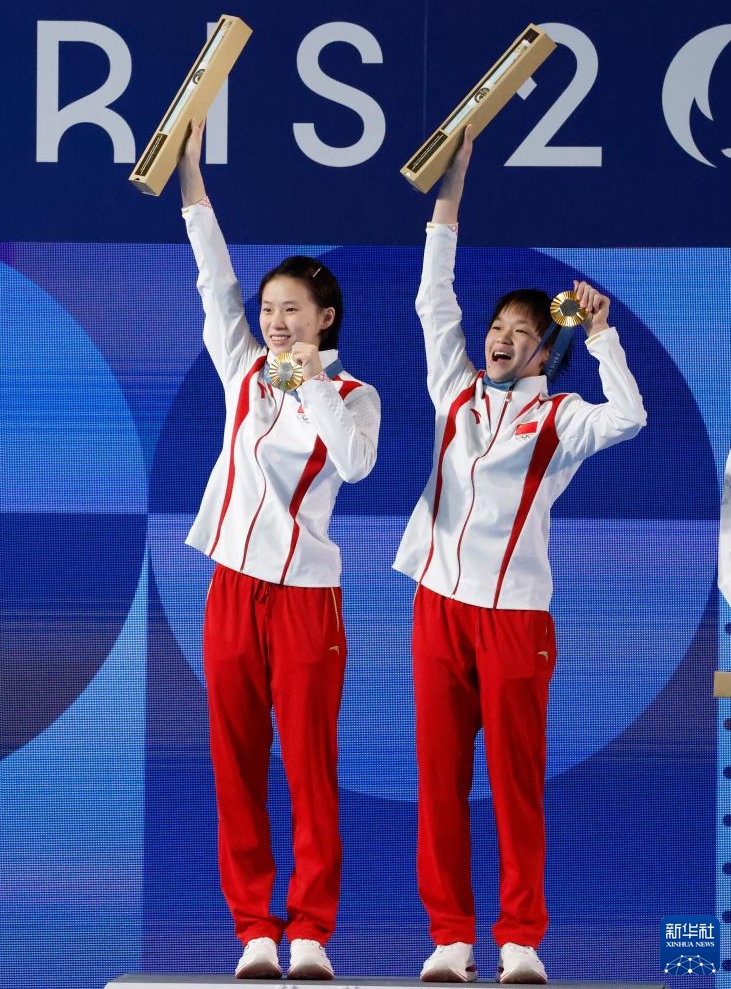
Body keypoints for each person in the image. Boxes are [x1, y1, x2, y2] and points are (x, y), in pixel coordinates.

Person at [393, 126, 647, 984]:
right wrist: (451, 192)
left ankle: (519, 941)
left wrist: (603, 335)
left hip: (515, 623)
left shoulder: (564, 417)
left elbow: (631, 416)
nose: (498, 336)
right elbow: (434, 295)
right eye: (495, 324)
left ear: (545, 347)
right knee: (438, 781)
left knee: (514, 785)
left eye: (517, 330)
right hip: (438, 610)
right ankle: (450, 940)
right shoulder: (452, 388)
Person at [177, 120, 380, 981]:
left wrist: (308, 379)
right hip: (230, 587)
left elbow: (359, 464)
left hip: (305, 598)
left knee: (308, 763)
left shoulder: (352, 392)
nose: (272, 320)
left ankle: (309, 934)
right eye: (268, 310)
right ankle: (254, 931)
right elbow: (212, 274)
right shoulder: (239, 368)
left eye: (290, 309)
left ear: (324, 317)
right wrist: (190, 176)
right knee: (235, 760)